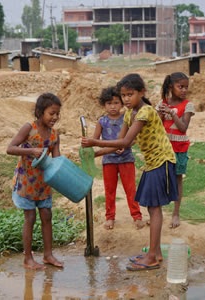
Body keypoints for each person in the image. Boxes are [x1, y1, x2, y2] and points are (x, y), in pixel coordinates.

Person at [81, 74, 178, 271]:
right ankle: (156, 253)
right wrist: (94, 153)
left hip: (162, 160)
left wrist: (95, 142)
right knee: (152, 208)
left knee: (154, 208)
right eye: (123, 95)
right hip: (152, 163)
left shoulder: (145, 112)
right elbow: (120, 146)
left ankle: (152, 256)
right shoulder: (129, 114)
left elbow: (124, 143)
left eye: (130, 94)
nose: (126, 99)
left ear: (142, 92)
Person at [7, 93, 64, 270]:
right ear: (40, 112)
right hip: (26, 181)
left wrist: (64, 173)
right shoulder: (29, 128)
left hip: (43, 182)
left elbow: (56, 160)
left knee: (47, 215)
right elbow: (10, 148)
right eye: (51, 113)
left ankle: (48, 255)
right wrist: (31, 151)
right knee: (30, 217)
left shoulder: (54, 135)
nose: (55, 117)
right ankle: (28, 258)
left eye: (57, 114)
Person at [92, 87, 144, 230]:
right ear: (104, 105)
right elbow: (94, 141)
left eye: (116, 103)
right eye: (109, 103)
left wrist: (126, 145)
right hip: (109, 161)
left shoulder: (127, 118)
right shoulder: (102, 122)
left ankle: (137, 216)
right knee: (110, 190)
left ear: (121, 104)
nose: (113, 106)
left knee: (130, 189)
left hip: (126, 158)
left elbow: (134, 138)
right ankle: (110, 217)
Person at [156, 72, 195, 229]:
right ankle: (157, 213)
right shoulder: (162, 103)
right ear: (171, 87)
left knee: (177, 179)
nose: (184, 90)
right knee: (160, 178)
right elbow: (156, 126)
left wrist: (172, 114)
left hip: (179, 148)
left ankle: (176, 213)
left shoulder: (188, 105)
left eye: (186, 87)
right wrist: (160, 113)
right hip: (163, 147)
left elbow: (183, 128)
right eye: (180, 87)